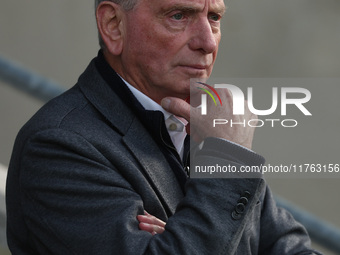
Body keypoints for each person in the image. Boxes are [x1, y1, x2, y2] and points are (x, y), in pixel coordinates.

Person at [6, 0, 322, 254]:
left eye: (214, 17)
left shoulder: (209, 128)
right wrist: (229, 159)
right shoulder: (57, 146)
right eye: (178, 15)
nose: (207, 42)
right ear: (113, 25)